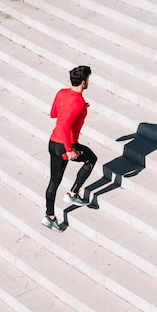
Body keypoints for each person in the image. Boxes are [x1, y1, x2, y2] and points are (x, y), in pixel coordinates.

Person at [42, 65, 97, 231]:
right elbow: (65, 124)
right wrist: (69, 149)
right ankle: (73, 194)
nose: (88, 82)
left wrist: (78, 109)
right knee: (91, 159)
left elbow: (54, 114)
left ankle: (49, 216)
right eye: (88, 79)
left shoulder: (62, 93)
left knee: (54, 182)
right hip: (65, 145)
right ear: (83, 82)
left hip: (53, 142)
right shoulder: (78, 102)